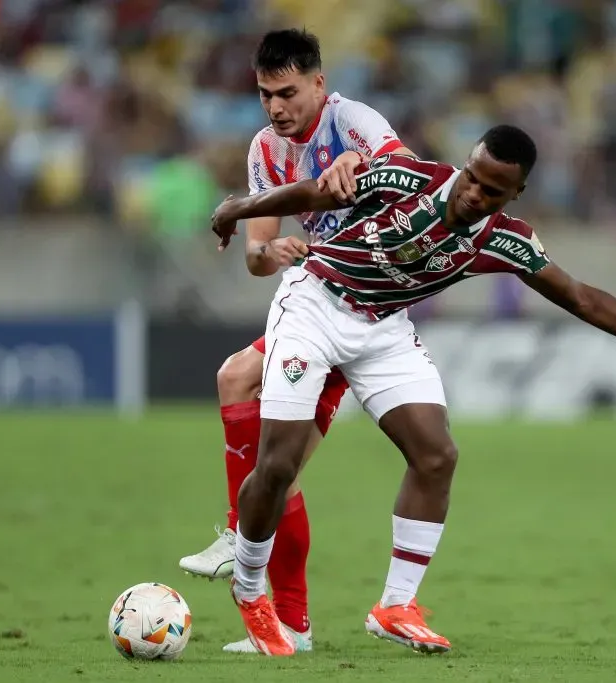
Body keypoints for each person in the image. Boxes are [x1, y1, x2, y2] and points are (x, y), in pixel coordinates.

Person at [210, 125, 616, 656]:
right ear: (467, 163)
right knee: (277, 465)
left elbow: (580, 296)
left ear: (515, 195)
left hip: (383, 329)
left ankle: (395, 606)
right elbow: (314, 192)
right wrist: (239, 208)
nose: (474, 193)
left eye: (492, 191)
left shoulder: (506, 239)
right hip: (316, 303)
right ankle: (250, 591)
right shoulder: (406, 177)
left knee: (436, 455)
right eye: (473, 177)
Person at [177, 29, 418, 654]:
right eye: (265, 95)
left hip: (362, 317)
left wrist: (360, 164)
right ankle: (288, 617)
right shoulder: (265, 148)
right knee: (238, 388)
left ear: (318, 82)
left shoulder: (354, 121)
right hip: (311, 312)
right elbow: (257, 255)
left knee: (276, 474)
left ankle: (255, 560)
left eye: (287, 93)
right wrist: (271, 249)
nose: (276, 107)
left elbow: (410, 173)